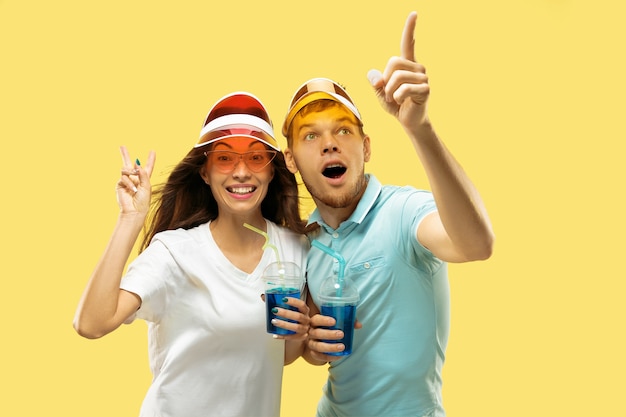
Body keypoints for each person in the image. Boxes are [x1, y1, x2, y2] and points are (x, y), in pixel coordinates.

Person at [280, 11, 495, 417]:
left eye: (343, 130)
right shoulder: (306, 241)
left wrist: (420, 128)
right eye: (311, 135)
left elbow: (477, 244)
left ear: (365, 147)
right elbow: (315, 351)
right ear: (291, 159)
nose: (329, 144)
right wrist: (311, 345)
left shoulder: (403, 212)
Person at [73, 91, 311, 417]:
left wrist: (298, 335)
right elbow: (91, 324)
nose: (241, 172)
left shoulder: (296, 250)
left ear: (272, 170)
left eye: (256, 157)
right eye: (225, 158)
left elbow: (276, 354)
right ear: (205, 172)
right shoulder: (175, 253)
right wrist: (130, 219)